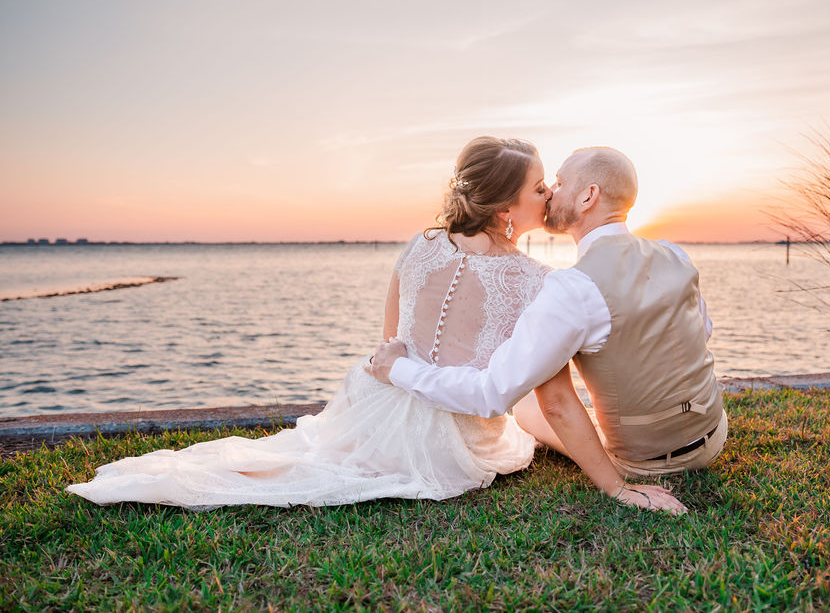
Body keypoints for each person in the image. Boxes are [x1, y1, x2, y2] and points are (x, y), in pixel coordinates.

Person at [66, 137, 682, 513]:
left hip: (371, 405)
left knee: (292, 456)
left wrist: (403, 374)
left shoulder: (417, 245)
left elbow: (390, 345)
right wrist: (614, 483)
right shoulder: (531, 279)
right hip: (453, 436)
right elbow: (551, 396)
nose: (547, 195)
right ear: (505, 209)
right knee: (523, 420)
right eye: (538, 186)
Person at [368, 147, 726, 484]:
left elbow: (529, 399)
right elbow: (700, 332)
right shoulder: (673, 254)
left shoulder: (571, 288)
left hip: (642, 462)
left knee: (528, 401)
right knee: (529, 389)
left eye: (557, 182)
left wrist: (396, 368)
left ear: (588, 197)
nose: (550, 193)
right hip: (713, 434)